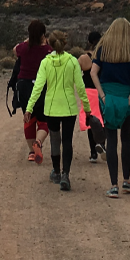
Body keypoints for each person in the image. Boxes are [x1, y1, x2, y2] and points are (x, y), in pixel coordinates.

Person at [25, 35, 90, 191]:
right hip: (68, 108)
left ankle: (56, 172)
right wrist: (87, 108)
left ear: (51, 44)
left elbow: (38, 87)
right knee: (67, 140)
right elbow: (80, 87)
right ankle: (66, 174)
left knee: (55, 139)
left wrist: (29, 107)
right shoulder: (72, 61)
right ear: (65, 43)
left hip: (52, 108)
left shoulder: (45, 62)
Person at [90, 19, 130, 197]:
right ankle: (126, 181)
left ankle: (113, 185)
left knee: (111, 139)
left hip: (108, 96)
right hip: (126, 95)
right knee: (126, 138)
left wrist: (102, 94)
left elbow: (93, 72)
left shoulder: (103, 48)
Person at [11, 20, 50, 163]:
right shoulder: (47, 50)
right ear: (43, 34)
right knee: (44, 119)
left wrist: (28, 39)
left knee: (29, 117)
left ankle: (31, 152)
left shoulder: (24, 48)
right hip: (41, 86)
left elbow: (15, 50)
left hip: (24, 86)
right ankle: (38, 142)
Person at [78, 30, 104, 163]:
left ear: (89, 41)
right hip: (102, 91)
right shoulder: (106, 55)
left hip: (88, 92)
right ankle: (103, 145)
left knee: (91, 121)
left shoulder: (84, 58)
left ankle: (93, 152)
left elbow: (75, 73)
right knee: (103, 119)